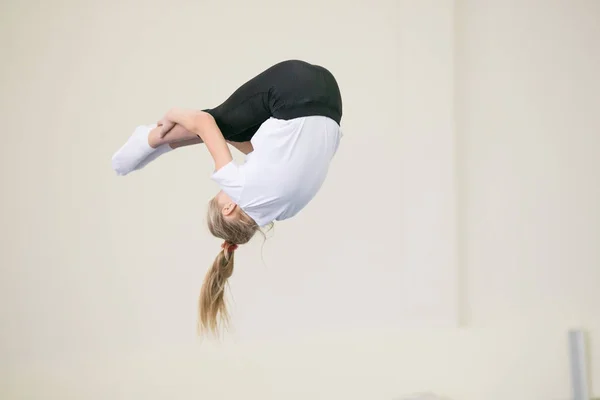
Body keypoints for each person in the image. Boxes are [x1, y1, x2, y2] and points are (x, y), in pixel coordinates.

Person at [111, 60, 343, 335]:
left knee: (229, 127)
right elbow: (204, 121)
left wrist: (217, 136)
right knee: (218, 120)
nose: (222, 190)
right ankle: (151, 139)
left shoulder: (285, 210)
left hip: (331, 102)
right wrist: (173, 114)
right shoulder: (241, 190)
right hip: (294, 88)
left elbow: (254, 148)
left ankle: (158, 145)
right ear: (229, 207)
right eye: (219, 197)